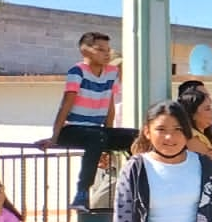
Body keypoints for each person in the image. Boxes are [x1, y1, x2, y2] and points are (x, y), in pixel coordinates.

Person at [36, 31, 138, 211]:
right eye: (100, 49)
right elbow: (65, 105)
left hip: (97, 131)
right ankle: (82, 193)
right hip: (73, 129)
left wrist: (108, 141)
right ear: (85, 51)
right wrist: (54, 137)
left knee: (134, 136)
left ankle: (137, 185)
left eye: (108, 50)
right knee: (96, 137)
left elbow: (110, 107)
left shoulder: (112, 72)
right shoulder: (77, 72)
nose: (106, 54)